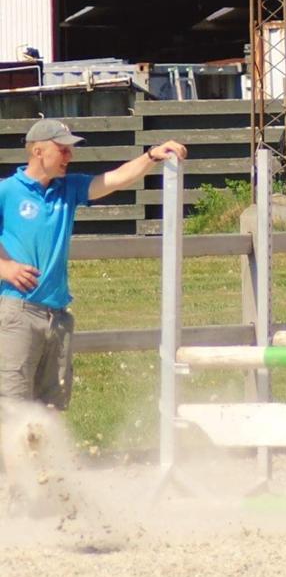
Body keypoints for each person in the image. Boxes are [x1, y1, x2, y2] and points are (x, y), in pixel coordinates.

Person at [0, 119, 188, 410]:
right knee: (12, 406)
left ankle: (44, 457)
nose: (69, 157)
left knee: (51, 407)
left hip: (58, 315)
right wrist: (5, 268)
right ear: (38, 151)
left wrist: (151, 156)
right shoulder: (7, 191)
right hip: (18, 312)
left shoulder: (69, 188)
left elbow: (114, 179)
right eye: (62, 150)